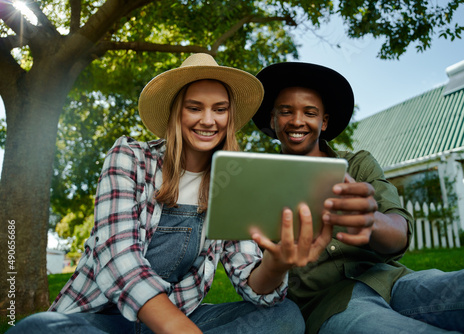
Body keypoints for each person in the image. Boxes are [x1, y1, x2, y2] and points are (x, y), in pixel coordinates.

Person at [10, 54, 333, 334]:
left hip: (184, 318)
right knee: (35, 328)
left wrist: (275, 264)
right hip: (105, 321)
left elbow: (251, 279)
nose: (208, 120)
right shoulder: (129, 158)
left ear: (229, 117)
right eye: (195, 107)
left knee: (284, 317)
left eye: (219, 109)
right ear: (176, 112)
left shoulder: (235, 179)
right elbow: (119, 257)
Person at [252, 61, 464, 334]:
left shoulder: (358, 165)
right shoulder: (257, 184)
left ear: (323, 122)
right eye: (286, 112)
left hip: (393, 280)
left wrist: (372, 221)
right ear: (272, 120)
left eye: (309, 113)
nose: (297, 121)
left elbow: (399, 231)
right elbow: (254, 280)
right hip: (327, 305)